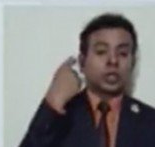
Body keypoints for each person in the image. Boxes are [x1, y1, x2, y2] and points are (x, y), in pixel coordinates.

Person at [19, 13, 155, 147]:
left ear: (132, 63)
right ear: (82, 61)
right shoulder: (59, 117)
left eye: (123, 53)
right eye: (101, 51)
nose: (113, 60)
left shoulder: (150, 121)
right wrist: (52, 103)